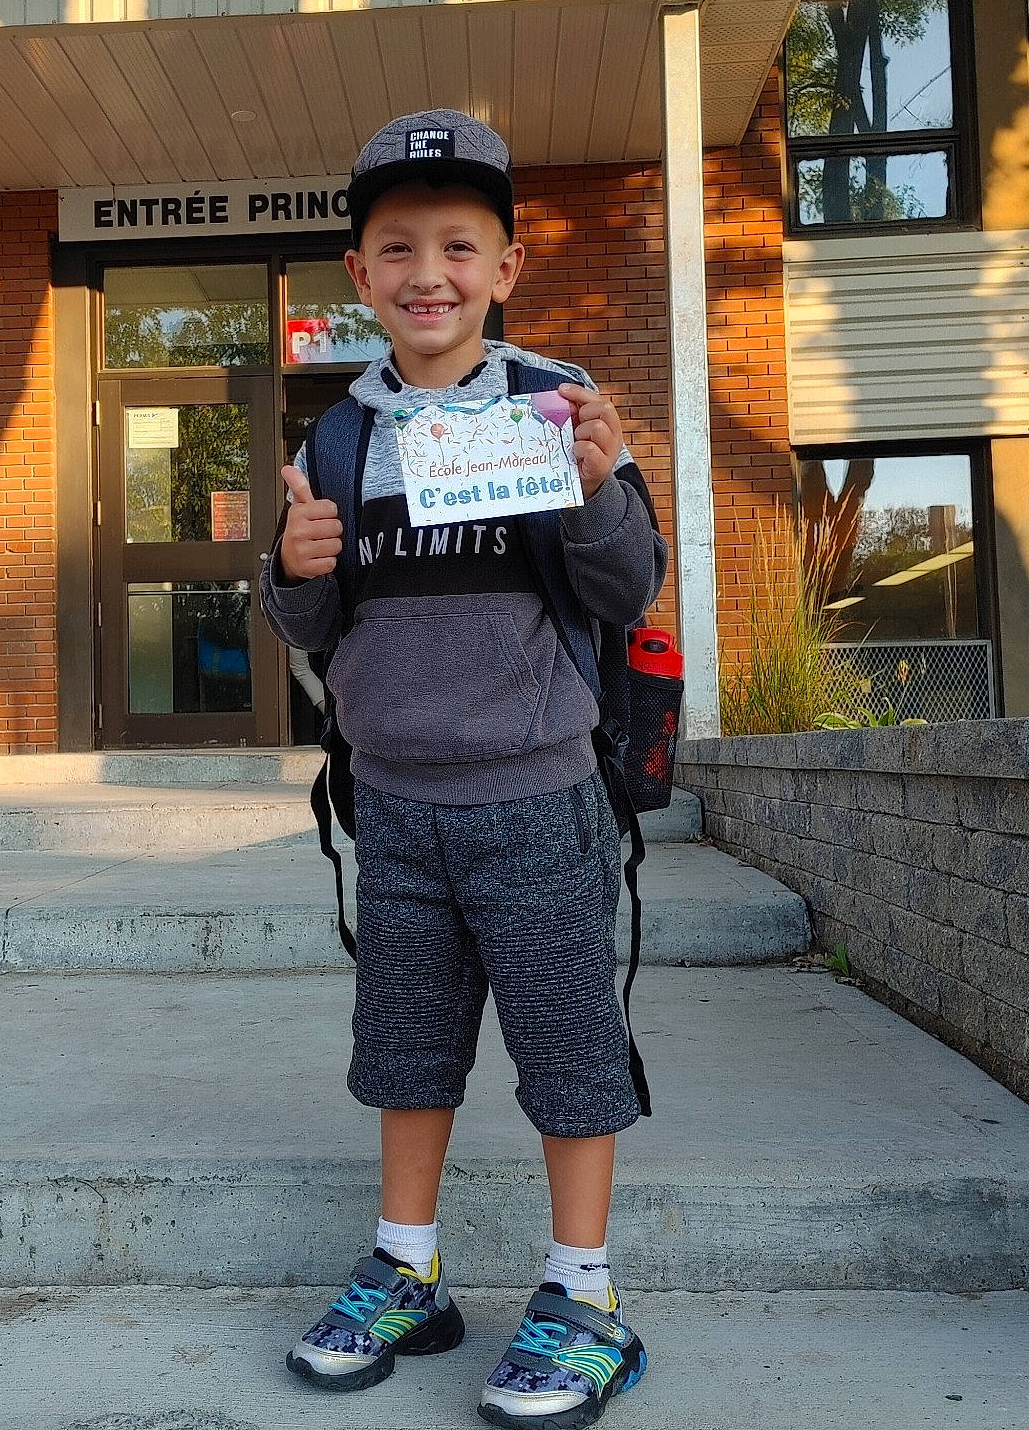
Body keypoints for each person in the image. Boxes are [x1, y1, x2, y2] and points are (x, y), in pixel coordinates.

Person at [262, 109, 666, 1429]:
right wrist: (292, 572)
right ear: (358, 275)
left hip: (540, 801)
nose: (426, 271)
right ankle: (408, 1271)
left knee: (566, 1046)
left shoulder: (556, 407)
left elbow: (624, 588)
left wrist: (602, 490)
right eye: (397, 247)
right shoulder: (339, 439)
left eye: (457, 244)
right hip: (400, 808)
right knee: (407, 1048)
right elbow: (324, 633)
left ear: (508, 263)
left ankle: (584, 1295)